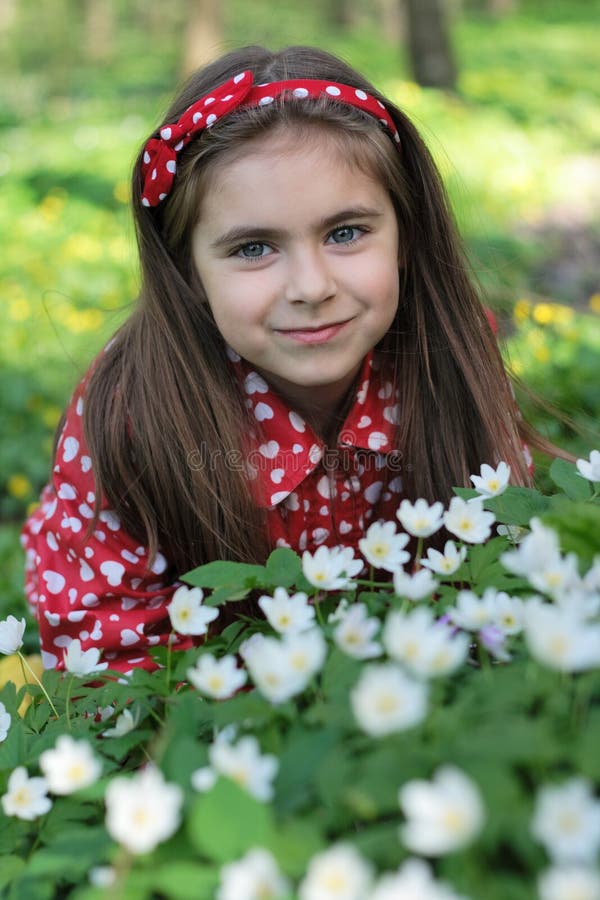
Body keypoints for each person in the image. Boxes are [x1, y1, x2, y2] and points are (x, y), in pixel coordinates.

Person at [22, 45, 536, 674]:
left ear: (405, 233)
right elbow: (105, 651)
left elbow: (507, 562)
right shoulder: (130, 413)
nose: (311, 287)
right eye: (254, 247)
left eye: (345, 233)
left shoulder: (447, 355)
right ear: (188, 269)